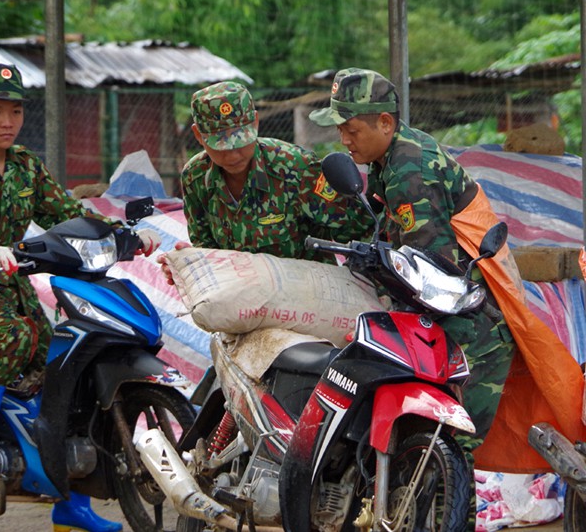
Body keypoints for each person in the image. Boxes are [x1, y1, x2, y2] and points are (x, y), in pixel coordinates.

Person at [308, 68, 585, 475]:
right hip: (455, 316)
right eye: (339, 129)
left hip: (475, 328)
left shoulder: (410, 169)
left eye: (350, 129)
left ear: (384, 123)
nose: (343, 139)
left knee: (448, 450)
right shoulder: (390, 158)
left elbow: (430, 269)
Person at [0, 63, 157, 532]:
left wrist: (123, 235)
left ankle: (70, 503)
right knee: (12, 338)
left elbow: (66, 213)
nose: (7, 121)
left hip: (13, 288)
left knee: (64, 364)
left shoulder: (27, 165)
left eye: (14, 111)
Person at [159, 80, 372, 283]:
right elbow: (206, 248)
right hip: (236, 298)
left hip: (304, 301)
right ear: (198, 135)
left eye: (241, 140)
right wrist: (187, 265)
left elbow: (358, 228)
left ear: (255, 122)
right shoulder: (195, 178)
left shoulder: (295, 169)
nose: (233, 155)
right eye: (220, 145)